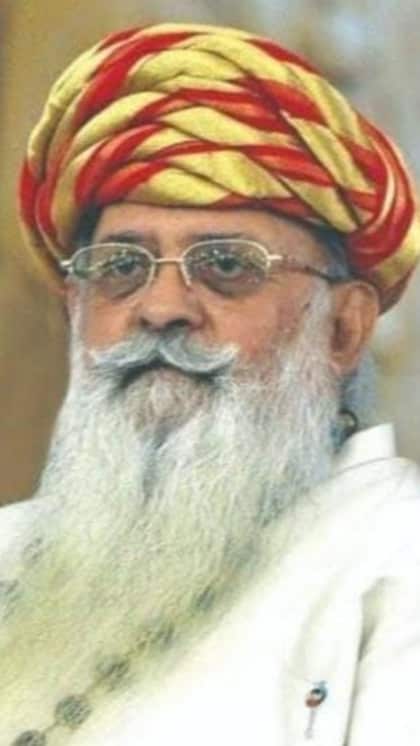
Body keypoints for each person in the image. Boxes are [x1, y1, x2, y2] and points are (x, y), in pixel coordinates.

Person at [2, 21, 420, 746]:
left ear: (342, 330)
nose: (161, 309)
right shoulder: (8, 550)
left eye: (227, 266)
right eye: (121, 268)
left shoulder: (394, 558)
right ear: (76, 309)